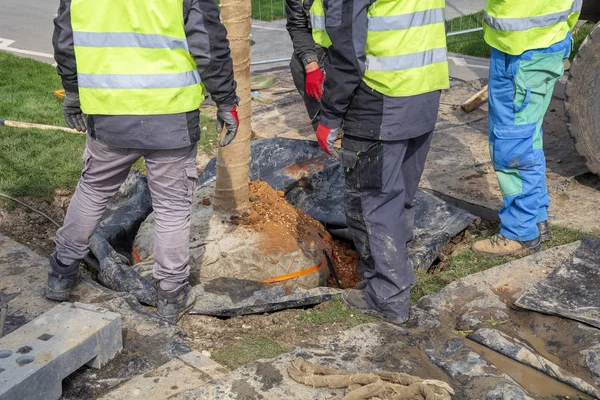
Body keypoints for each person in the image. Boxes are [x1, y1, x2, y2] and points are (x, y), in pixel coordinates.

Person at [49, 0, 239, 323]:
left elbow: (66, 36)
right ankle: (170, 295)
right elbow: (207, 40)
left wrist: (72, 90)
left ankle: (60, 273)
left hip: (109, 114)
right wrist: (226, 100)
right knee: (172, 207)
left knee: (93, 189)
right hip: (170, 115)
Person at [314, 0, 449, 324]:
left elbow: (348, 49)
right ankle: (396, 271)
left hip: (381, 97)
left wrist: (330, 114)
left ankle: (387, 294)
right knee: (399, 196)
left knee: (374, 201)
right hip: (425, 88)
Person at [472, 0, 581, 257]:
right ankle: (537, 219)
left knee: (513, 146)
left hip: (521, 50)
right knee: (528, 137)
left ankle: (520, 232)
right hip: (548, 40)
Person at [285, 0, 330, 128]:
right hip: (325, 44)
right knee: (299, 65)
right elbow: (297, 25)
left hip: (359, 44)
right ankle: (324, 122)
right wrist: (311, 66)